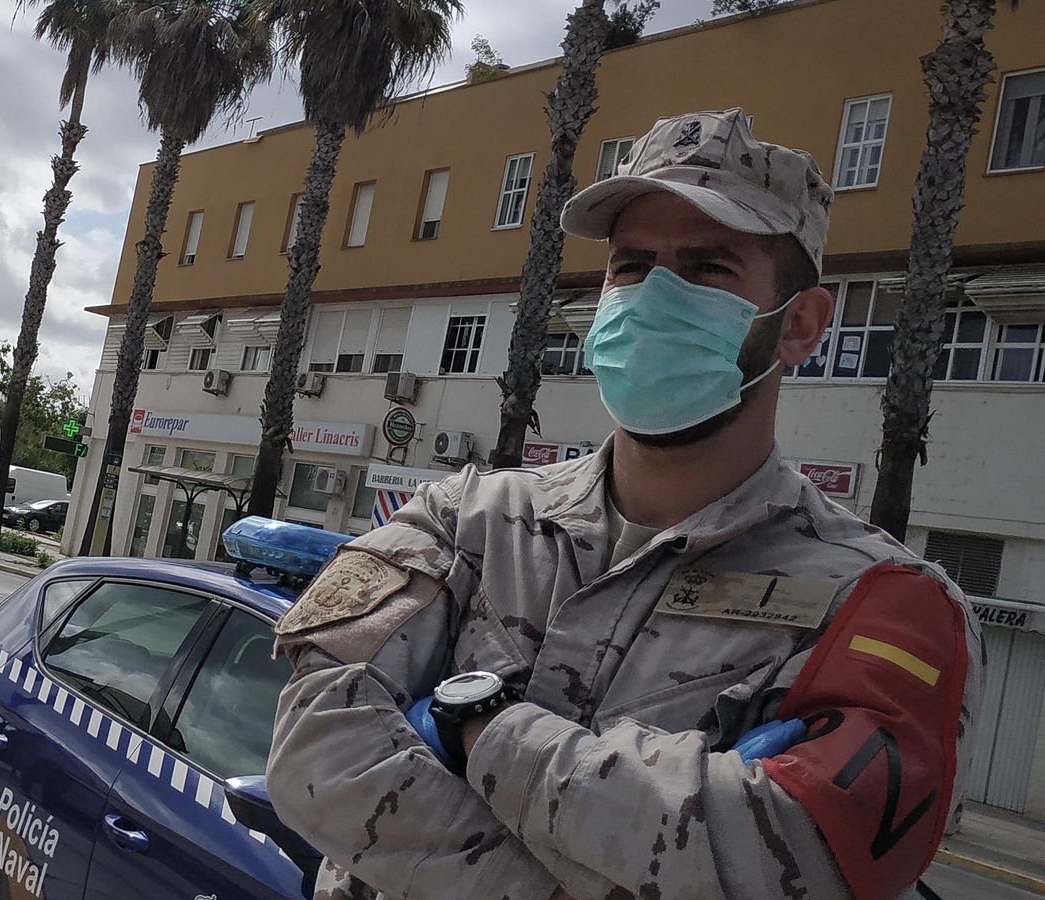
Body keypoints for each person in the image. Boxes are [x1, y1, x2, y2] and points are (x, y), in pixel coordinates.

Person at [266, 109, 983, 900]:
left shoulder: (886, 605)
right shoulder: (463, 516)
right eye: (633, 265)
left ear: (800, 326)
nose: (654, 296)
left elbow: (805, 860)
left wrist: (476, 732)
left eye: (708, 267)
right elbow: (317, 755)